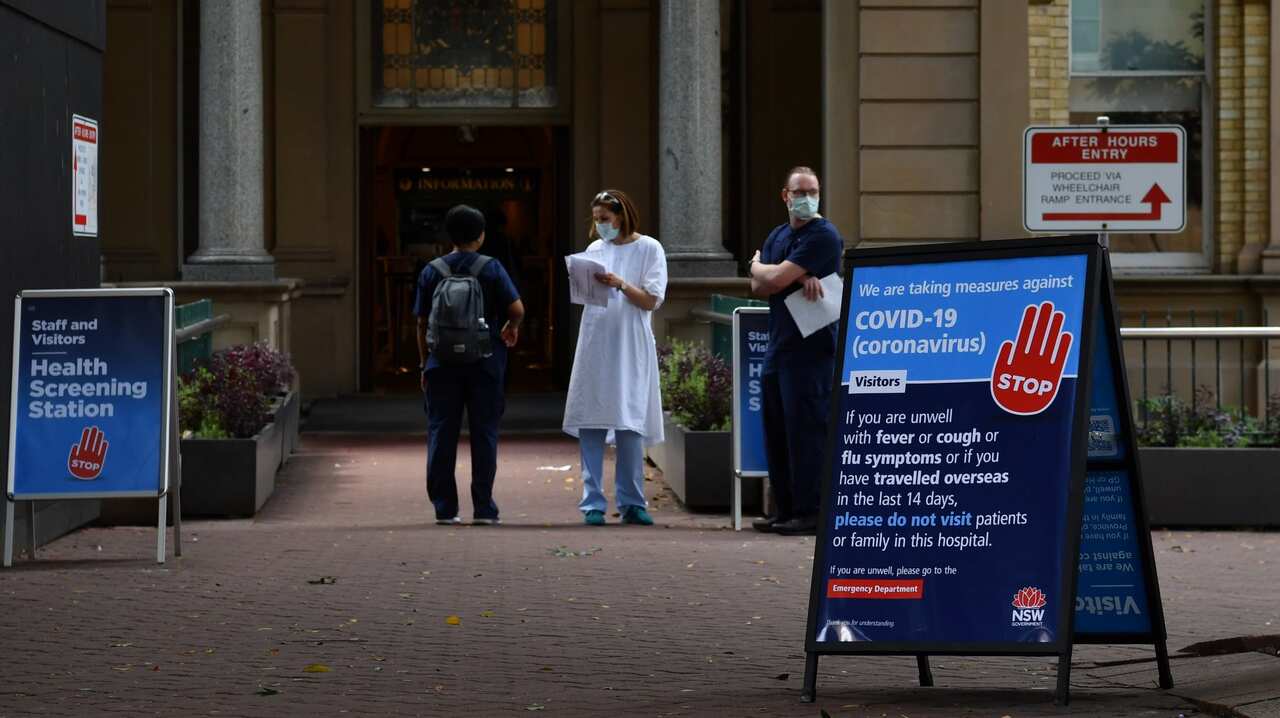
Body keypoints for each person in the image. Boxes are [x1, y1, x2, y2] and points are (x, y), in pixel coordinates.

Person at [414, 204, 525, 526]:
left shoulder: (431, 270)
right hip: (485, 362)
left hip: (441, 364)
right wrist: (511, 327)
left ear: (448, 235)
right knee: (485, 433)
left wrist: (425, 364)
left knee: (441, 432)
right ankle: (484, 508)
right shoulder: (491, 268)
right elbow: (517, 308)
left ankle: (445, 508)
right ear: (481, 236)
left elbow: (421, 323)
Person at [563, 189, 668, 526]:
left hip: (630, 341)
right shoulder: (596, 249)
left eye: (605, 219)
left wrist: (621, 284)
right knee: (591, 418)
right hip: (596, 338)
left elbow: (651, 300)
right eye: (596, 220)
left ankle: (632, 501)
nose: (600, 226)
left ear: (621, 216)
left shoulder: (649, 248)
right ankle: (592, 501)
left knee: (630, 419)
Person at [747, 167, 843, 536]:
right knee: (777, 431)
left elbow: (768, 278)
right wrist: (794, 276)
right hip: (780, 346)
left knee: (806, 432)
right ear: (785, 195)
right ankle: (783, 509)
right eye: (800, 191)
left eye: (813, 191)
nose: (807, 198)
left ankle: (809, 512)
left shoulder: (824, 236)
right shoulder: (779, 235)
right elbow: (758, 287)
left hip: (812, 350)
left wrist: (759, 264)